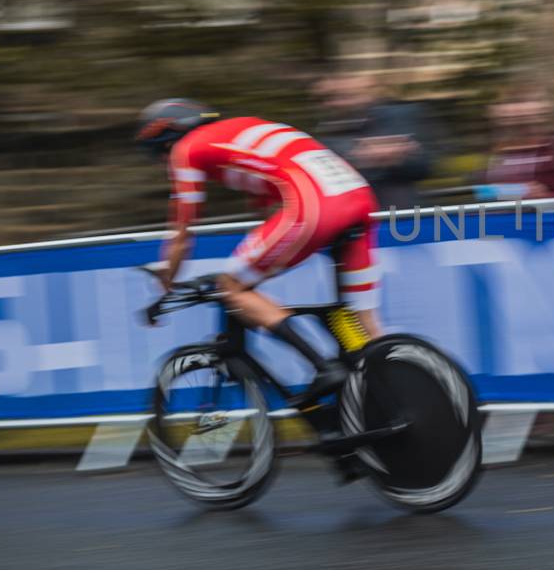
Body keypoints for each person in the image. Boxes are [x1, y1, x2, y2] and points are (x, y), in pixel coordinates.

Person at [134, 98, 383, 420]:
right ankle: (398, 388)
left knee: (232, 286)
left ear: (167, 137)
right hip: (359, 197)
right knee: (366, 325)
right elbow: (266, 211)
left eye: (160, 154)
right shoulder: (239, 132)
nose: (164, 163)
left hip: (318, 204)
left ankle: (324, 367)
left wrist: (167, 280)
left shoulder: (186, 149)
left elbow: (183, 230)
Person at [314, 71, 432, 212]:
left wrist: (393, 158)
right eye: (335, 97)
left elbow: (426, 164)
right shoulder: (328, 130)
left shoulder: (398, 116)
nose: (339, 102)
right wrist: (364, 157)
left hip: (403, 214)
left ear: (369, 91)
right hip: (355, 216)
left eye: (349, 95)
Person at [479, 96, 554, 201]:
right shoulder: (494, 154)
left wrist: (543, 195)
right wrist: (515, 192)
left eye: (526, 121)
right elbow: (479, 192)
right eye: (511, 121)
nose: (521, 128)